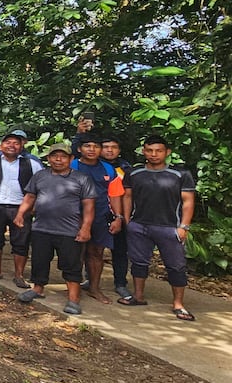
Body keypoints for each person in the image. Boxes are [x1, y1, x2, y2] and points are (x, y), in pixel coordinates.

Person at [119, 135, 198, 320]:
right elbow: (127, 197)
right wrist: (127, 221)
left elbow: (188, 201)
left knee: (176, 266)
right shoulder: (134, 173)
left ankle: (178, 304)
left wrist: (184, 226)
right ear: (144, 151)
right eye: (149, 150)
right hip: (139, 226)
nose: (154, 154)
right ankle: (138, 296)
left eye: (158, 151)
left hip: (169, 227)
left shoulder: (180, 174)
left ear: (167, 152)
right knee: (139, 263)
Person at [13, 143, 96, 316]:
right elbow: (30, 196)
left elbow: (89, 206)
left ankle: (73, 299)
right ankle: (38, 289)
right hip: (41, 228)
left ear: (71, 159)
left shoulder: (82, 179)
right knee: (39, 260)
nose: (58, 160)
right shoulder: (40, 176)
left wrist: (86, 227)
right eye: (54, 156)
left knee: (71, 265)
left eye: (63, 156)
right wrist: (20, 214)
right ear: (49, 158)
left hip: (69, 230)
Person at [0, 129, 42, 288]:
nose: (12, 146)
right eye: (8, 142)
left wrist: (34, 207)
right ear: (1, 146)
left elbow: (41, 187)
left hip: (21, 208)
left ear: (21, 146)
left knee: (21, 241)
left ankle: (19, 275)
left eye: (16, 143)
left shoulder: (32, 164)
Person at [70, 134, 125, 304]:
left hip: (101, 216)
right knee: (75, 253)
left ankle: (94, 287)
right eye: (87, 146)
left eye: (96, 146)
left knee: (96, 253)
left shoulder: (109, 169)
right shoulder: (71, 165)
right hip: (74, 216)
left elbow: (115, 195)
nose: (92, 150)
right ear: (80, 149)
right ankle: (74, 288)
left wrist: (118, 217)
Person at [101, 136, 133, 297]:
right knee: (93, 250)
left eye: (113, 147)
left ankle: (120, 283)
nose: (109, 150)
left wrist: (123, 217)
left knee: (120, 250)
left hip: (119, 214)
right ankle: (89, 279)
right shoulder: (93, 166)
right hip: (98, 213)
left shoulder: (125, 168)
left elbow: (129, 195)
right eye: (106, 146)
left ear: (119, 150)